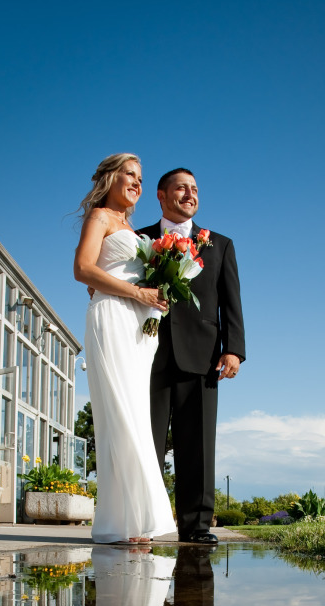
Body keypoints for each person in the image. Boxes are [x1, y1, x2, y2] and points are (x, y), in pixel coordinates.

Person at [138, 168, 246, 544]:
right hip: (147, 351)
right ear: (161, 195)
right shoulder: (139, 239)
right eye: (181, 188)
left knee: (198, 443)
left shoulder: (220, 244)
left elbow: (231, 301)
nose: (190, 194)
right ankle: (142, 521)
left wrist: (234, 348)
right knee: (145, 438)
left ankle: (196, 525)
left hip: (203, 355)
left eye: (195, 189)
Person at [74, 153, 175, 544]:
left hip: (140, 328)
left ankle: (132, 519)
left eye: (140, 177)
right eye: (129, 174)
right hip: (112, 318)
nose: (136, 182)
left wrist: (158, 294)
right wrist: (137, 292)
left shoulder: (132, 229)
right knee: (119, 410)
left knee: (134, 412)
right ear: (110, 178)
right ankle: (126, 522)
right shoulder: (99, 216)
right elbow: (82, 269)